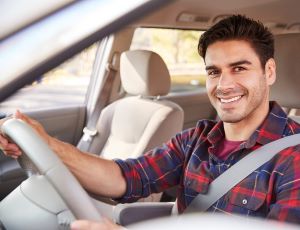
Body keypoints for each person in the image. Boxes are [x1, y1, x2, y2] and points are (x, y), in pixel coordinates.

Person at [1, 15, 300, 229]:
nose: (223, 85)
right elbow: (125, 177)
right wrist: (47, 143)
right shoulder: (197, 139)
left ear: (269, 71)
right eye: (213, 72)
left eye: (239, 68)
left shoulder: (293, 158)